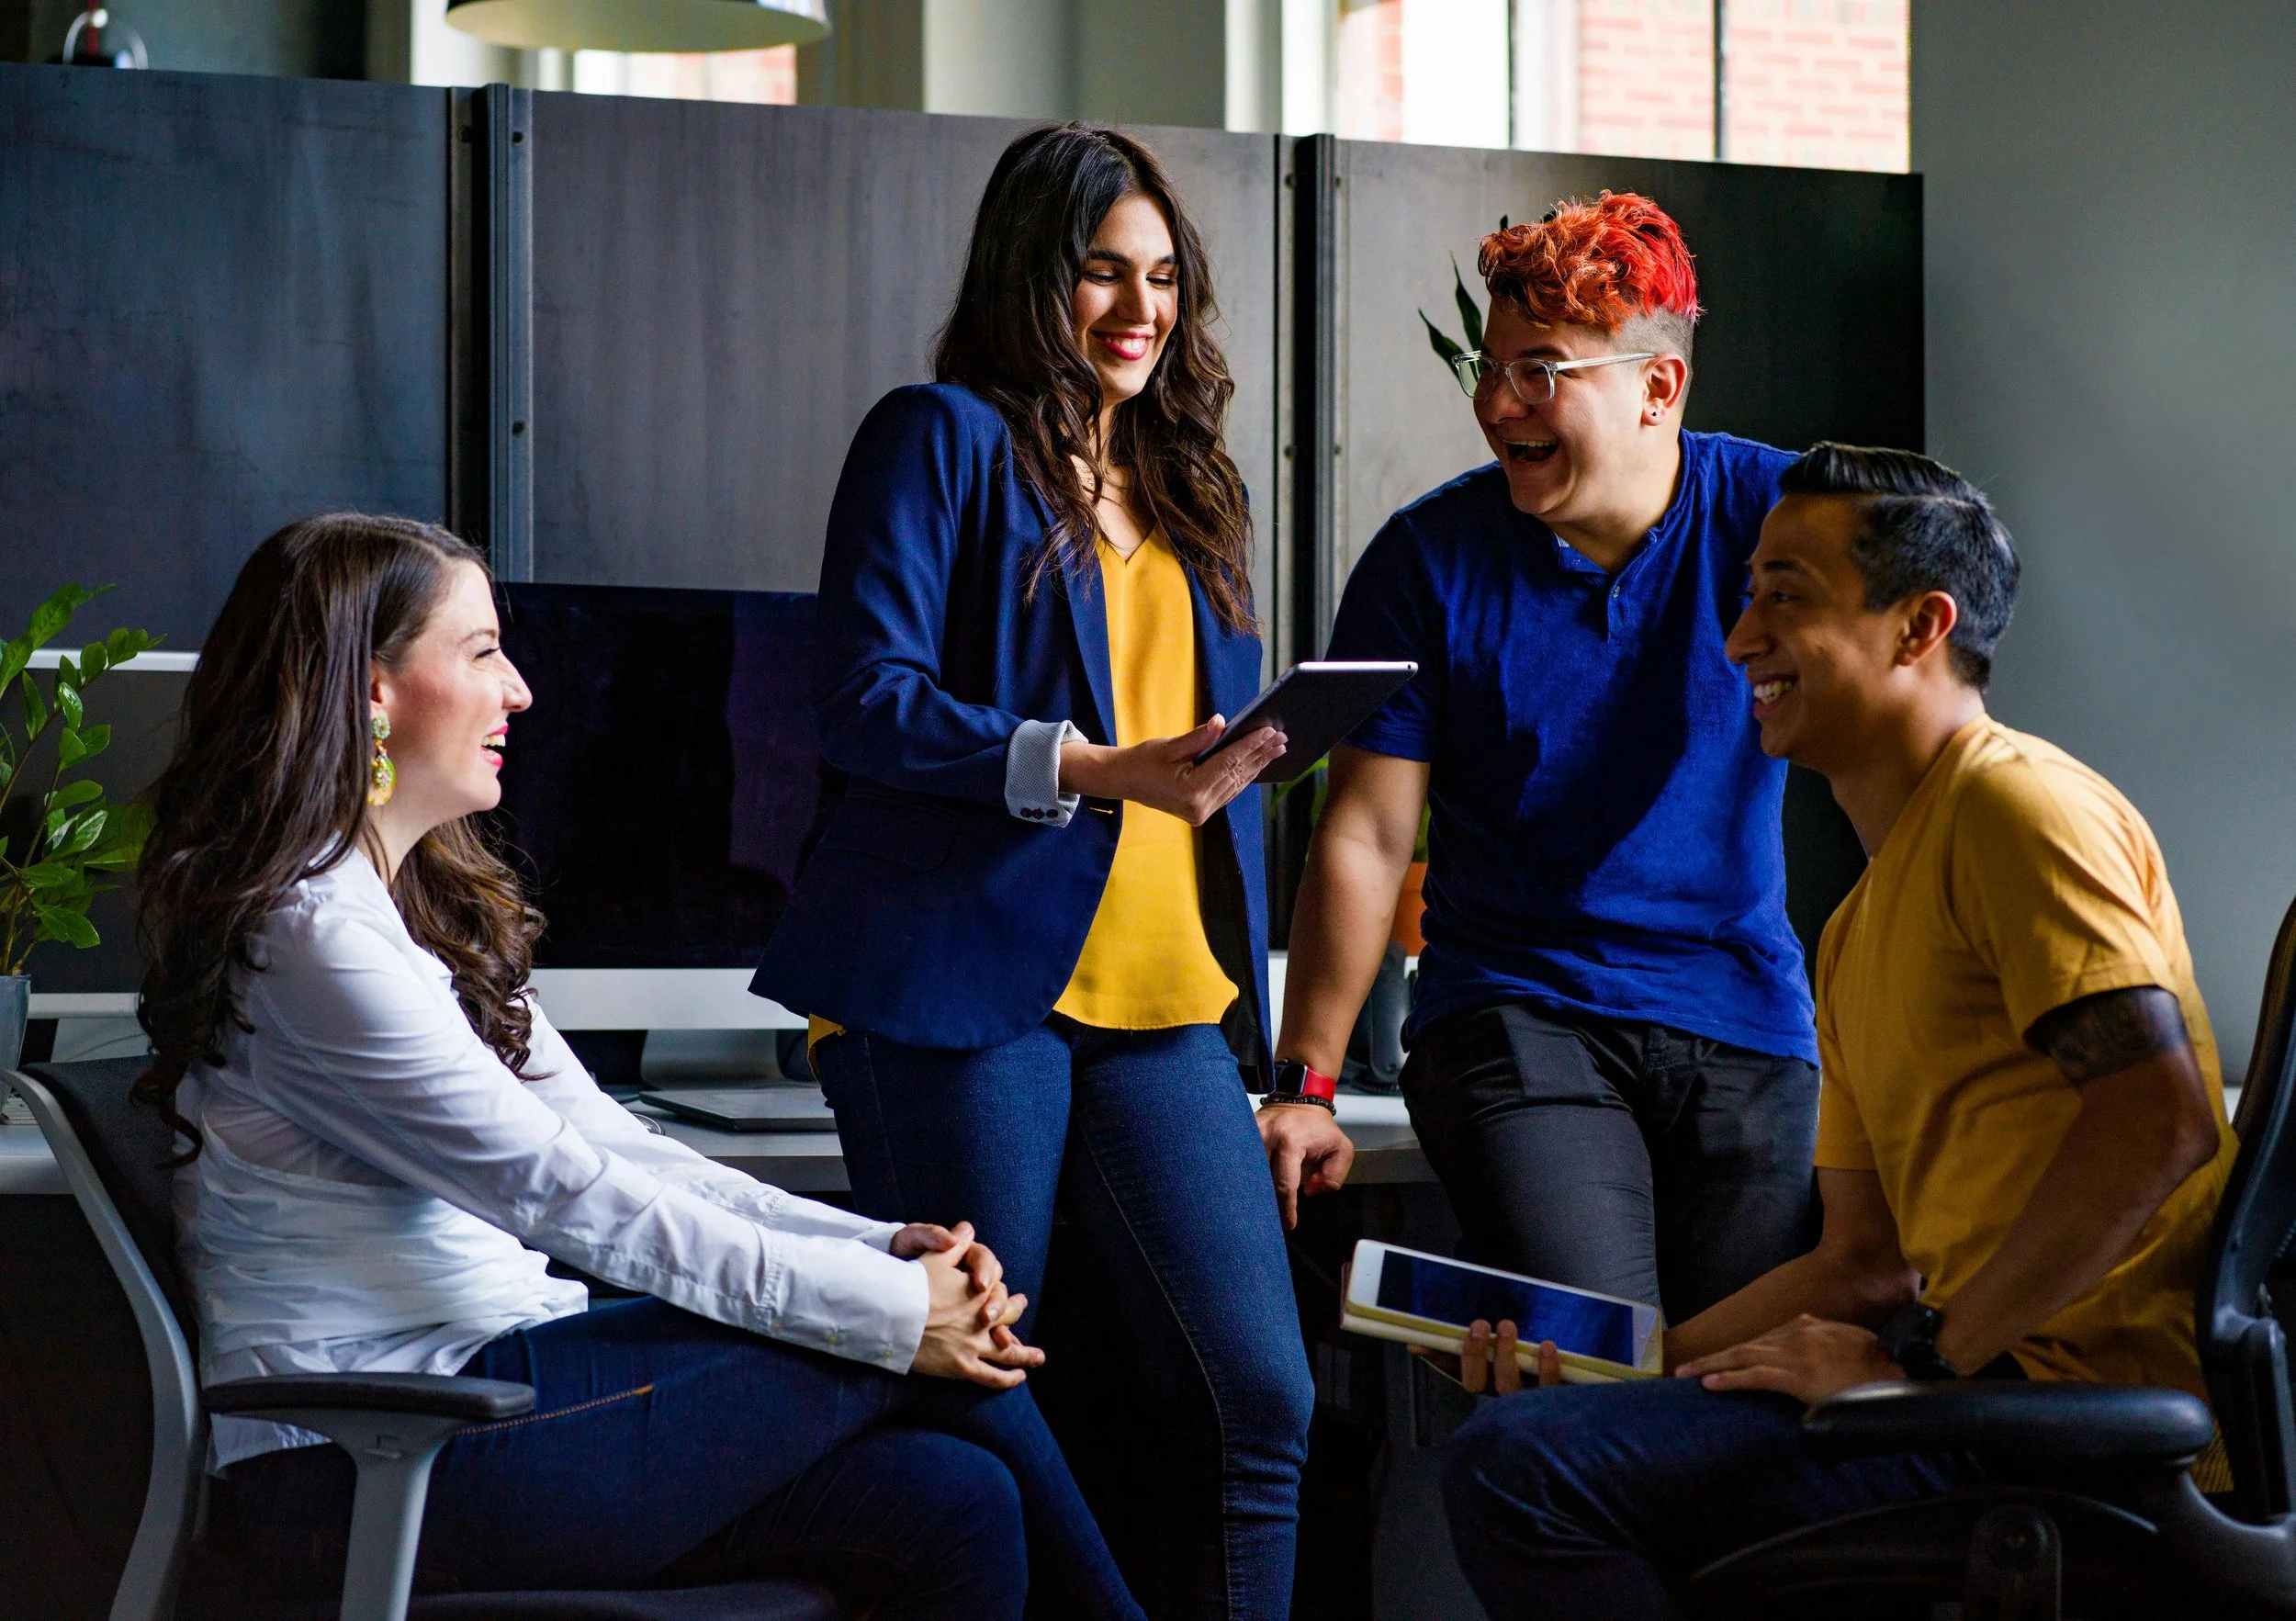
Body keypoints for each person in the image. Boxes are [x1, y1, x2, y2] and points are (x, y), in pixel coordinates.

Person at [133, 514, 1142, 1619]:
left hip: (501, 1396)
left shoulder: (415, 912)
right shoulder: (311, 935)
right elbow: (561, 1191)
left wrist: (876, 1247)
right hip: (371, 1459)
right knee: (898, 1344)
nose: (519, 689)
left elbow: (616, 1145)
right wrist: (901, 1309)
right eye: (480, 654)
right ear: (370, 690)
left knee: (953, 1501)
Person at [1438, 445, 2238, 1620]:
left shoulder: (2016, 806)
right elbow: (1862, 1261)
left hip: (2067, 1433)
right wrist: (1621, 1370)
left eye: (1785, 597)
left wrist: (1923, 1364)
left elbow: (2157, 1120)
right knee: (1538, 1432)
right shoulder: (1858, 923)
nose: (1739, 639)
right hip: (1978, 1393)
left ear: (1920, 626)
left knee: (1524, 1473)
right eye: (1748, 592)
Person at [750, 124, 1315, 1620]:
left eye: (1163, 280)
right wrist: (1085, 763)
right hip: (959, 984)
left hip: (1165, 992)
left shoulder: (1189, 489)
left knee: (1262, 1400)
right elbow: (862, 699)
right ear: (1031, 275)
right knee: (979, 1375)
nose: (1140, 309)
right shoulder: (939, 438)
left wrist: (1244, 756)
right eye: (1101, 274)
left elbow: (1183, 754)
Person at [1264, 192, 1820, 1327]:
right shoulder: (1427, 562)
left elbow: (1924, 661)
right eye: (1491, 368)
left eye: (1541, 371)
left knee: (1740, 1391)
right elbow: (1367, 836)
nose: (1495, 404)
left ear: (1657, 388)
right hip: (1517, 1014)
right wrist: (1304, 1087)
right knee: (1605, 1357)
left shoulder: (1779, 518)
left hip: (1743, 1016)